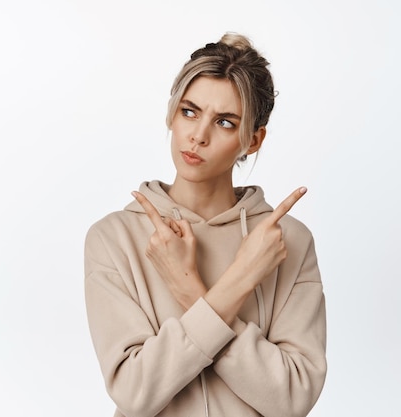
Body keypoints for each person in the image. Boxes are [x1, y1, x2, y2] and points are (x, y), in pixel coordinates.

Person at [84, 32, 327, 417]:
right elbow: (134, 392)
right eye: (189, 111)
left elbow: (293, 399)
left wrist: (191, 292)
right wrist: (239, 280)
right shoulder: (114, 238)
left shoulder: (286, 241)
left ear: (253, 140)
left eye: (225, 123)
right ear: (171, 113)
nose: (198, 135)